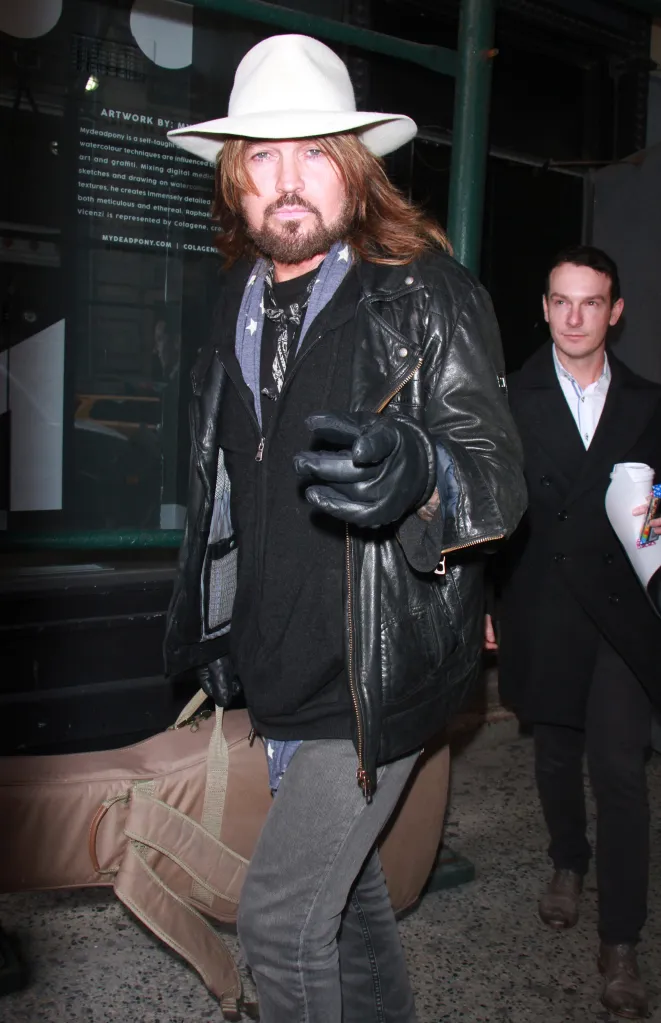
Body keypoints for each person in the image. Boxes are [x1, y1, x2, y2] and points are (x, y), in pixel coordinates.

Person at [164, 33, 526, 1023]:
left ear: (355, 169)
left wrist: (421, 471)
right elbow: (225, 489)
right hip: (274, 664)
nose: (288, 181)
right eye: (264, 157)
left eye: (314, 151)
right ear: (235, 179)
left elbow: (493, 479)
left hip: (377, 673)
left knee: (280, 925)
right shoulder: (229, 301)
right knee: (349, 899)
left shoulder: (426, 293)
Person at [487, 245, 661, 1020]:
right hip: (542, 601)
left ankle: (619, 938)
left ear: (614, 311)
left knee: (619, 770)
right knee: (555, 752)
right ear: (546, 306)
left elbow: (656, 509)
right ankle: (567, 860)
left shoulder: (651, 403)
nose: (574, 316)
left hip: (624, 610)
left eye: (590, 302)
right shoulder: (509, 395)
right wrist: (486, 601)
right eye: (561, 300)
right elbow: (491, 510)